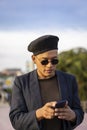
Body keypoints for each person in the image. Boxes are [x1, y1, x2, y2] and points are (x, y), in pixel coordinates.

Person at [9, 35, 84, 130]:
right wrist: (39, 114)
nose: (50, 65)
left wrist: (73, 115)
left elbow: (79, 112)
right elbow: (15, 120)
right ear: (34, 59)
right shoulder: (21, 82)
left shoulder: (69, 80)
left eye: (54, 60)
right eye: (44, 61)